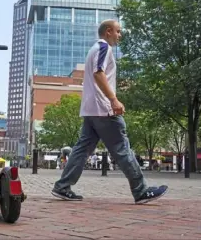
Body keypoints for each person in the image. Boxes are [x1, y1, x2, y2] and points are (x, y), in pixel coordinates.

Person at [51, 19, 168, 204]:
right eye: (118, 31)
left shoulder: (93, 49)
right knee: (122, 148)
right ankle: (141, 191)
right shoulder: (104, 48)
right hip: (103, 109)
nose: (119, 35)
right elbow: (99, 73)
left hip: (91, 110)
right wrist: (113, 100)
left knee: (81, 150)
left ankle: (62, 186)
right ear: (108, 32)